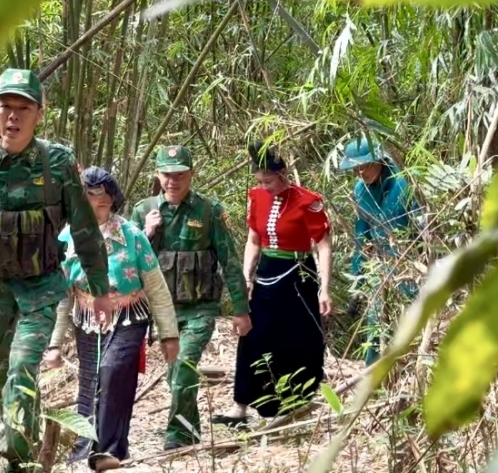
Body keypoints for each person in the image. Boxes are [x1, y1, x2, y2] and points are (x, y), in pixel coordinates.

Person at [0, 68, 114, 473]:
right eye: (5, 107)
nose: (13, 117)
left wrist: (100, 289)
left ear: (39, 113)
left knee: (21, 369)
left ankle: (14, 460)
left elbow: (85, 230)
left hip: (40, 291)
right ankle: (29, 456)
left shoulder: (58, 163)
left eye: (23, 108)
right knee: (5, 384)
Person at [43, 167, 181, 471]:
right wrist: (54, 345)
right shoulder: (67, 238)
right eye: (88, 199)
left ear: (113, 201)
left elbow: (156, 287)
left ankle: (109, 450)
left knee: (113, 370)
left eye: (102, 200)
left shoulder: (132, 235)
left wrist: (170, 334)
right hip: (88, 317)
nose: (95, 207)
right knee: (90, 380)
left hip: (130, 315)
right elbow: (63, 297)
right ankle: (84, 449)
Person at [128, 145, 253, 450]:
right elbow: (127, 262)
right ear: (158, 175)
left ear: (191, 175)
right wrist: (146, 232)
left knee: (183, 367)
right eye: (167, 175)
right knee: (176, 375)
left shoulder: (209, 210)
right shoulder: (144, 211)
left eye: (180, 175)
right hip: (164, 311)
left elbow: (230, 260)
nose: (173, 181)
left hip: (200, 308)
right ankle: (189, 429)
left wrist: (241, 309)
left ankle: (178, 436)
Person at [215, 142, 332, 424]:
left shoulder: (307, 200)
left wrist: (324, 288)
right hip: (267, 270)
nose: (264, 186)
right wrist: (246, 276)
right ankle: (240, 405)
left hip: (298, 271)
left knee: (296, 337)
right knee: (252, 333)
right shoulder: (256, 196)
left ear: (283, 174)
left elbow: (324, 244)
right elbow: (253, 239)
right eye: (260, 180)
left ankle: (293, 404)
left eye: (269, 180)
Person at [338, 136, 420, 366]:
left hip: (410, 266)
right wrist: (358, 282)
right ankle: (374, 384)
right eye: (355, 169)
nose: (360, 173)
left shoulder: (405, 184)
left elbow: (425, 231)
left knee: (411, 329)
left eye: (364, 166)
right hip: (380, 269)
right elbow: (361, 237)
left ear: (379, 161)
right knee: (376, 331)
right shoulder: (360, 191)